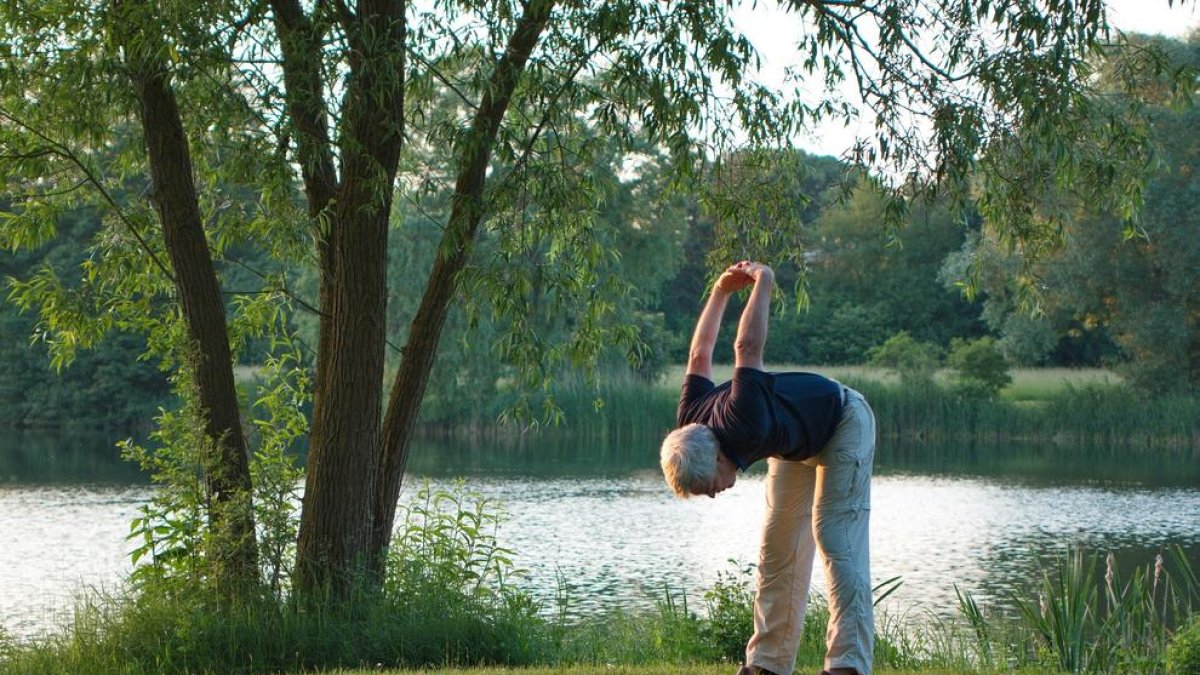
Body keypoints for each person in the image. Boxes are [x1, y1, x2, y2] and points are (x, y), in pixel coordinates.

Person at [659, 261, 877, 675]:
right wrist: (720, 291)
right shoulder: (691, 419)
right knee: (778, 549)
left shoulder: (742, 420)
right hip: (796, 444)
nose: (715, 493)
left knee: (835, 538)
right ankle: (767, 665)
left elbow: (746, 347)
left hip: (844, 421)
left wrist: (764, 281)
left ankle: (847, 664)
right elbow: (699, 353)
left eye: (709, 486)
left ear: (717, 457)